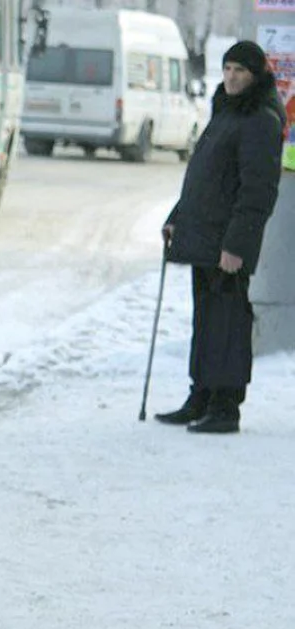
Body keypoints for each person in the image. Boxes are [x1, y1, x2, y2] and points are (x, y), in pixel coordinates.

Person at [157, 40, 285, 434]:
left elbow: (257, 192)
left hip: (228, 243)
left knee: (228, 322)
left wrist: (237, 246)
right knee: (207, 319)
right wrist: (177, 217)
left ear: (256, 76)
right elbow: (203, 176)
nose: (231, 77)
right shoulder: (226, 112)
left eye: (240, 71)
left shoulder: (261, 120)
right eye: (227, 69)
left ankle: (226, 405)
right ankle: (201, 395)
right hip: (205, 235)